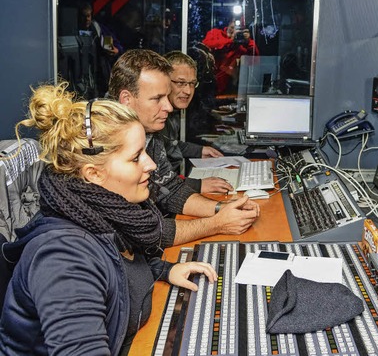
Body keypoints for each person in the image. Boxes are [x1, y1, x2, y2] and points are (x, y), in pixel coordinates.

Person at [0, 83, 217, 354]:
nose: (150, 164)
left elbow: (119, 263)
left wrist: (164, 270)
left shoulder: (103, 213)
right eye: (136, 157)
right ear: (94, 174)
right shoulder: (64, 257)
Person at [108, 49, 260, 247]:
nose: (168, 107)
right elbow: (143, 231)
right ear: (126, 99)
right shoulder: (101, 144)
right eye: (157, 99)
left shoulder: (148, 134)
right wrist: (216, 224)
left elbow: (169, 189)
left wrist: (221, 207)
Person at [161, 50, 223, 178]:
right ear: (164, 81)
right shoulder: (154, 116)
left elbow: (169, 144)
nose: (188, 91)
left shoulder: (172, 112)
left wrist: (200, 151)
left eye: (192, 84)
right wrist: (199, 185)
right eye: (180, 83)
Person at [77, 2, 123, 97]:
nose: (87, 19)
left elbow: (118, 47)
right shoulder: (71, 30)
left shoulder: (98, 29)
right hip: (81, 70)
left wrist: (115, 51)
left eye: (89, 16)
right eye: (83, 16)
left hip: (99, 72)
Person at [202, 20, 260, 94]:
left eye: (237, 29)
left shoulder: (239, 46)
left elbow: (255, 59)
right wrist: (230, 40)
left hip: (229, 85)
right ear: (228, 25)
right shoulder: (216, 33)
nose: (234, 31)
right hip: (210, 81)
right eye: (232, 27)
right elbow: (206, 44)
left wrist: (249, 41)